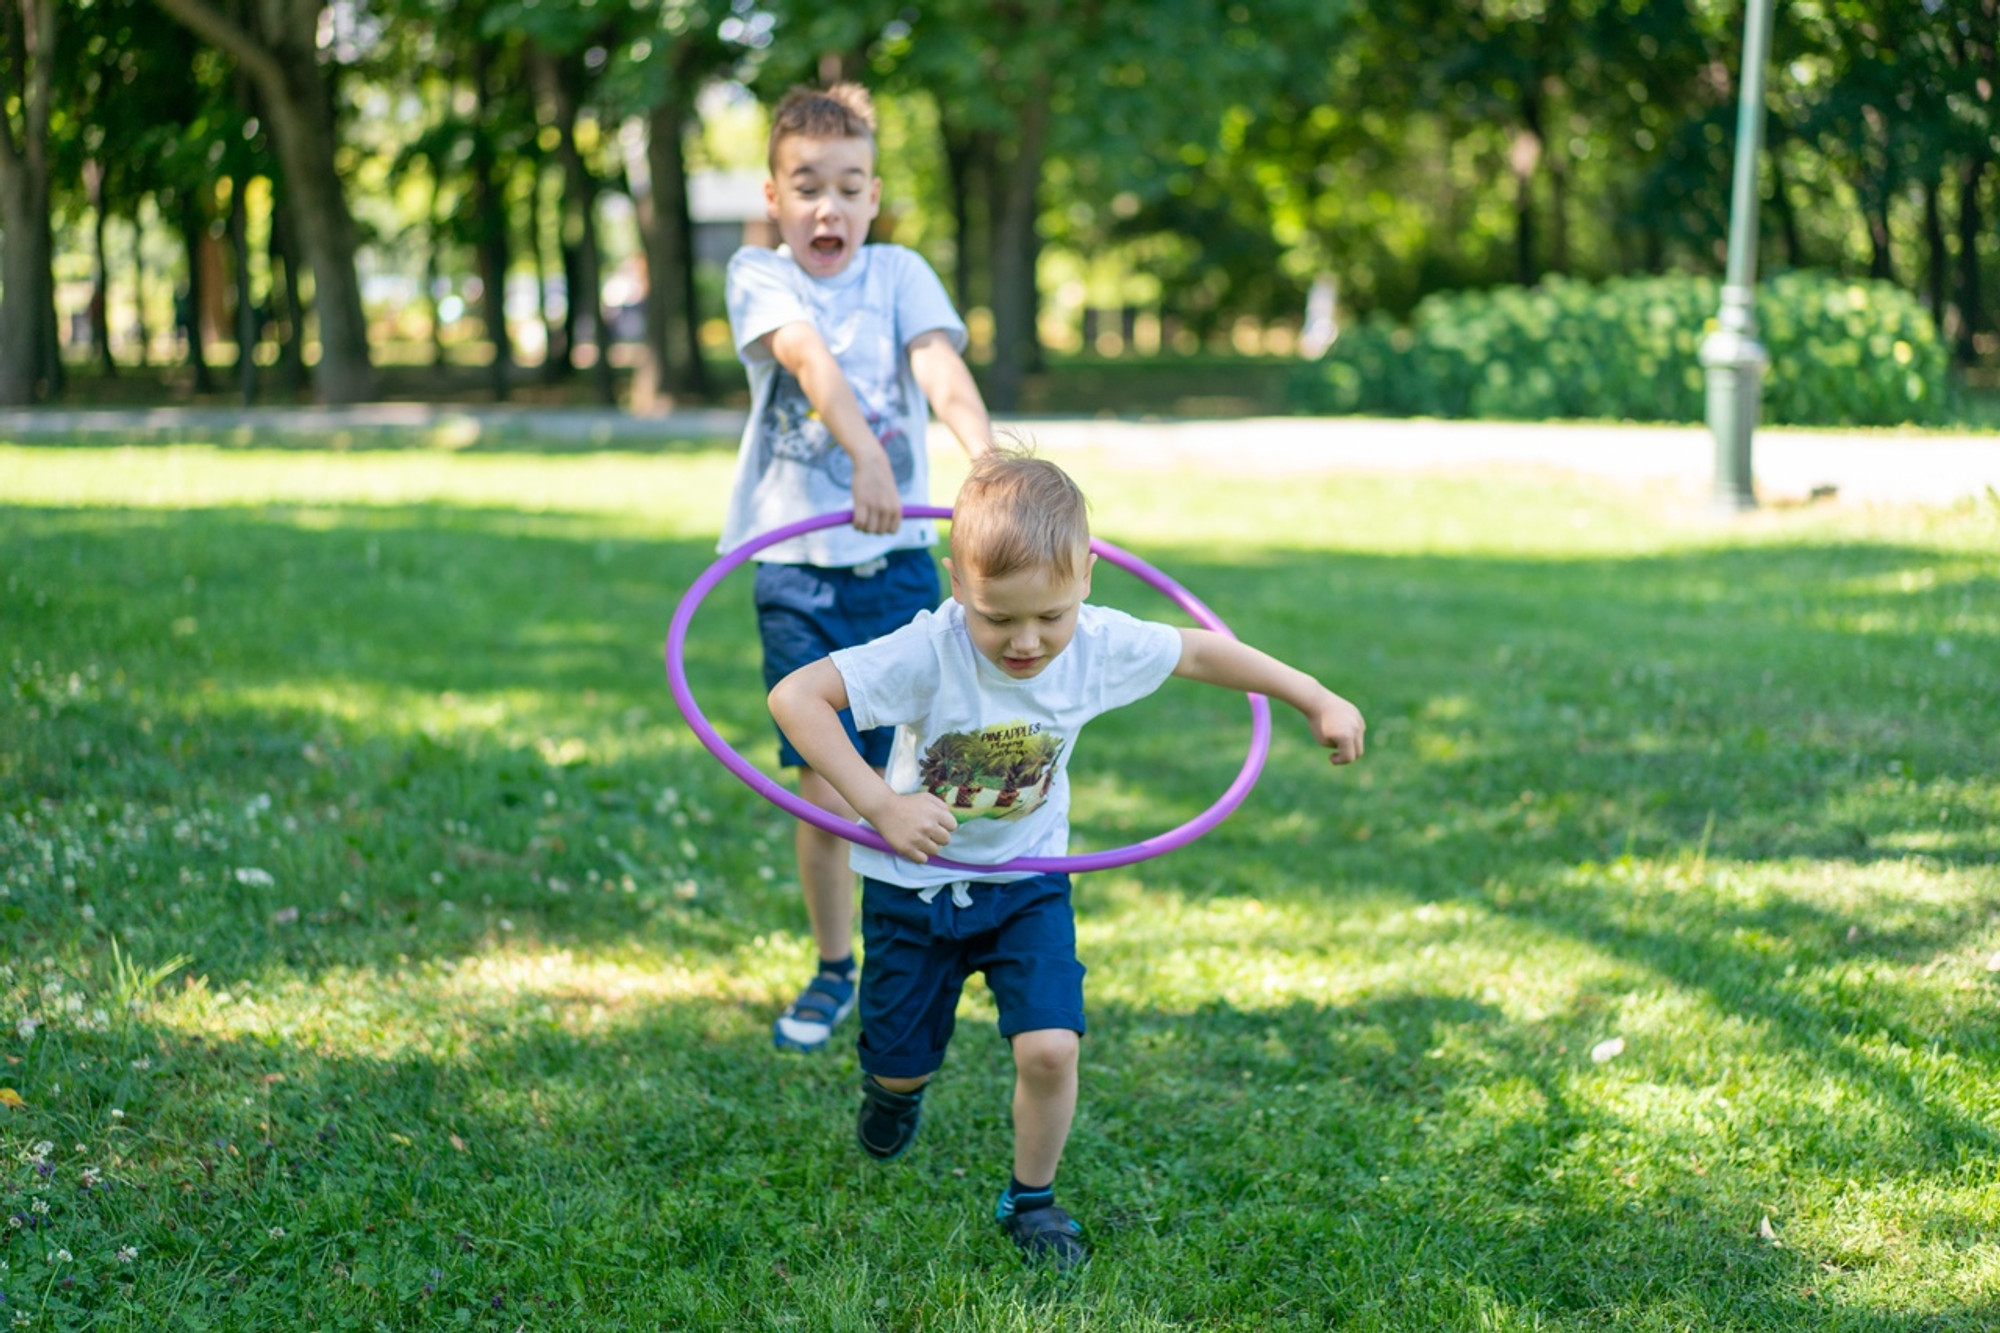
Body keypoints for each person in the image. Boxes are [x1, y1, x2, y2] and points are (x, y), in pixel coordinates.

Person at [767, 453, 1366, 1267]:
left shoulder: (1099, 643)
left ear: (1087, 575)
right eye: (995, 617)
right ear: (955, 582)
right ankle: (891, 1089)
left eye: (1050, 616)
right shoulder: (927, 650)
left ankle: (1033, 1198)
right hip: (916, 890)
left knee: (1051, 1046)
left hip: (1028, 883)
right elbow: (795, 697)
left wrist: (1316, 695)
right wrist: (880, 803)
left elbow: (1198, 652)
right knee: (903, 1065)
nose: (1024, 642)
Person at [720, 82, 995, 1055]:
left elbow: (935, 364)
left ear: (874, 196)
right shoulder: (760, 275)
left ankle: (928, 944)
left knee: (920, 771)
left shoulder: (900, 273)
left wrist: (984, 454)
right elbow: (806, 361)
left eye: (846, 187)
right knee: (830, 787)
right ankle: (837, 966)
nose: (826, 207)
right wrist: (868, 453)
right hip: (795, 568)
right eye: (805, 187)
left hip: (894, 571)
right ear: (773, 196)